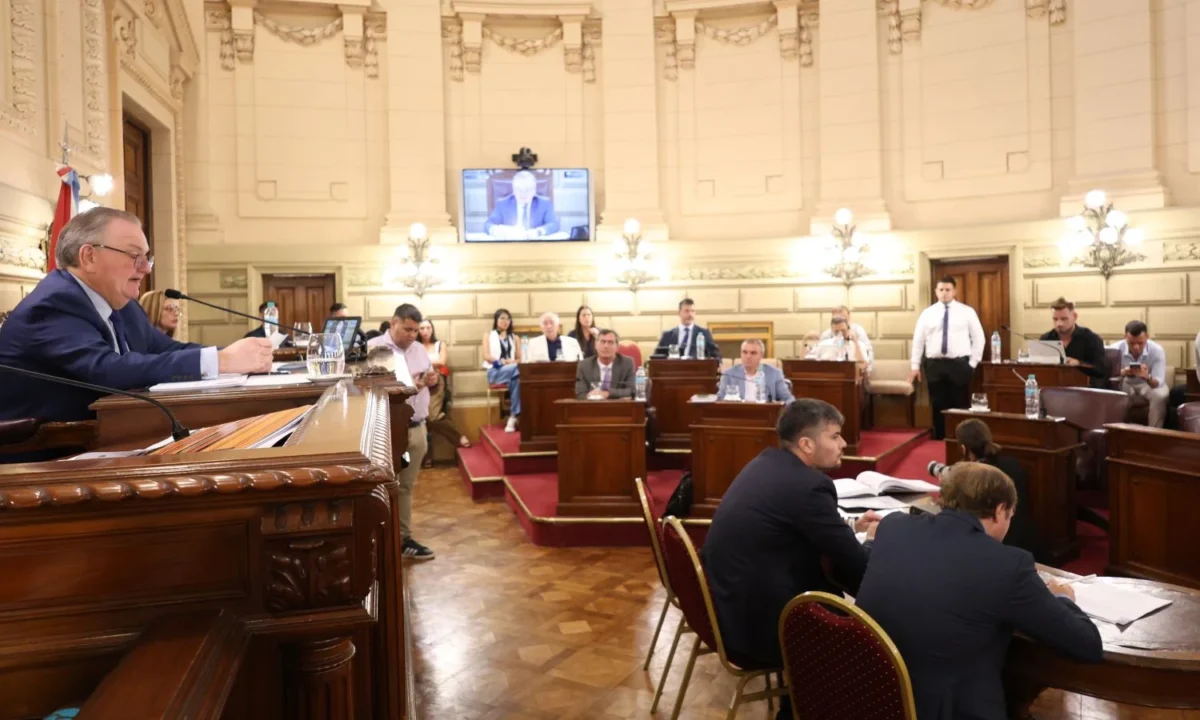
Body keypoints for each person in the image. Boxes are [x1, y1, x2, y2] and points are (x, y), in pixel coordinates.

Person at [856, 462, 1103, 720]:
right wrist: (1064, 597)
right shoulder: (1009, 565)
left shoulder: (893, 527)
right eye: (1010, 516)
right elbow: (1086, 645)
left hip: (871, 698)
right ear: (999, 511)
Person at [0, 208, 272, 427]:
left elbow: (167, 350)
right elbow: (107, 370)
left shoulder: (122, 304)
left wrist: (237, 357)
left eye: (147, 258)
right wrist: (222, 360)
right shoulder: (53, 304)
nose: (145, 269)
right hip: (45, 459)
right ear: (89, 256)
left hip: (110, 438)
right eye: (134, 256)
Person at [703, 399, 880, 720]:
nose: (843, 444)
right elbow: (857, 565)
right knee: (872, 636)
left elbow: (793, 524)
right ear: (807, 444)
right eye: (836, 436)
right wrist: (872, 541)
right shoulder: (809, 485)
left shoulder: (767, 462)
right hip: (759, 628)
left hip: (726, 605)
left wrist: (852, 527)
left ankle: (796, 703)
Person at [367, 303, 439, 561]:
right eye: (407, 329)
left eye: (416, 331)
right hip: (387, 429)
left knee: (407, 486)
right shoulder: (377, 348)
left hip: (417, 426)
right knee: (383, 487)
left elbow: (431, 378)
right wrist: (413, 387)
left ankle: (402, 538)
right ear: (393, 323)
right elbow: (377, 390)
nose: (412, 335)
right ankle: (377, 539)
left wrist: (432, 380)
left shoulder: (419, 348)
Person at [939, 418, 1040, 559]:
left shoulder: (972, 479)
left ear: (963, 449)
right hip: (1027, 539)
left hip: (996, 547)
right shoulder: (1013, 463)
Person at [909, 276, 985, 440]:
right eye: (941, 290)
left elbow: (979, 338)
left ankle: (960, 439)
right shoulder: (927, 314)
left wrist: (972, 363)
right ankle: (940, 439)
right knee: (938, 405)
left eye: (948, 290)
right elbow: (918, 340)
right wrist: (915, 365)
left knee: (959, 403)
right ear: (936, 292)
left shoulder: (966, 312)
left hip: (959, 365)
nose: (944, 293)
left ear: (954, 291)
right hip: (934, 365)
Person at [418, 318, 470, 467]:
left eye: (428, 327)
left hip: (437, 382)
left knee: (433, 417)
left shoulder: (440, 344)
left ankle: (458, 437)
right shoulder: (414, 346)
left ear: (432, 329)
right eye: (422, 328)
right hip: (419, 383)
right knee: (421, 419)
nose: (425, 331)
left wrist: (422, 363)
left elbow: (442, 362)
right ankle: (426, 457)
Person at [1111, 320, 1170, 428]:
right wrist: (1123, 372)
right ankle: (1119, 430)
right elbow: (1108, 376)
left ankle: (1154, 433)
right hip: (1125, 382)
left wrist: (1147, 376)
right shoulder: (1115, 349)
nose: (1136, 347)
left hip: (1147, 383)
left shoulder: (1157, 350)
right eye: (1132, 343)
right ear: (1125, 337)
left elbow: (1157, 382)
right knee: (1116, 393)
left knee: (1160, 395)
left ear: (1147, 337)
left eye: (1140, 343)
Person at [1039, 297, 1108, 388]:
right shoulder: (1046, 339)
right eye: (1055, 319)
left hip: (1084, 390)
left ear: (1074, 316)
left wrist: (1079, 363)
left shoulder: (1091, 339)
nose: (1059, 324)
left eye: (1064, 319)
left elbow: (1101, 370)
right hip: (1053, 389)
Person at [483, 170, 560, 239]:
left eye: (528, 189)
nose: (523, 194)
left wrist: (538, 232)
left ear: (534, 190)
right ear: (513, 190)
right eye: (519, 189)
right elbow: (488, 224)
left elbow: (554, 224)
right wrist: (497, 230)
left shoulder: (544, 203)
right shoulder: (502, 204)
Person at [483, 308, 522, 433]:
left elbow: (519, 358)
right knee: (519, 371)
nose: (505, 321)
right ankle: (515, 415)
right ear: (496, 320)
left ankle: (512, 417)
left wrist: (511, 362)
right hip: (495, 371)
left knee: (517, 379)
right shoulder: (488, 335)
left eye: (508, 319)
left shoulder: (515, 338)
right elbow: (486, 356)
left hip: (512, 370)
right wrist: (501, 362)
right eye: (502, 318)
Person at [718, 339, 793, 402]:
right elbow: (719, 399)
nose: (748, 356)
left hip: (766, 415)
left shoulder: (774, 374)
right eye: (744, 352)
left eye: (753, 353)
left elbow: (788, 399)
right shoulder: (729, 374)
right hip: (737, 415)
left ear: (761, 355)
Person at [574, 329, 635, 399]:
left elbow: (632, 390)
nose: (606, 346)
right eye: (602, 342)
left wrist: (607, 393)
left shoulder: (627, 363)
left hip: (618, 407)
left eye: (610, 342)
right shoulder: (584, 365)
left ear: (617, 347)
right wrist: (589, 396)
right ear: (595, 345)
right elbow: (580, 394)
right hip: (593, 407)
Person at [654, 298, 720, 359]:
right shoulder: (667, 335)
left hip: (696, 369)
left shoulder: (704, 333)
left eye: (692, 311)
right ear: (679, 313)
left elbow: (716, 356)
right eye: (687, 311)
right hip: (674, 369)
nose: (690, 314)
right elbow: (656, 357)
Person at [819, 305, 873, 373]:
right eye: (837, 318)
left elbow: (867, 352)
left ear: (849, 317)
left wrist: (866, 372)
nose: (841, 321)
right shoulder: (825, 336)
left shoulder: (858, 331)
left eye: (844, 318)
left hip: (854, 371)